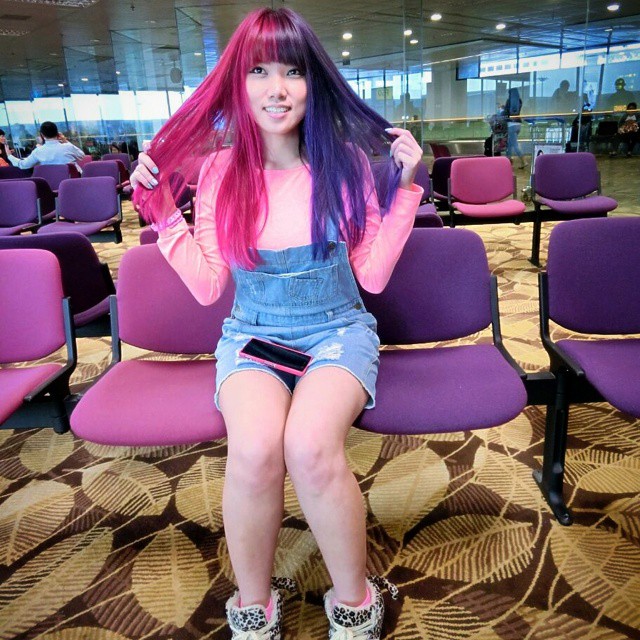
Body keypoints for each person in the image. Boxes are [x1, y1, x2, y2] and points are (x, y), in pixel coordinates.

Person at [130, 8, 422, 640]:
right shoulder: (219, 173)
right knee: (255, 450)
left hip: (336, 330)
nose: (277, 88)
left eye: (293, 71)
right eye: (258, 72)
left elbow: (372, 278)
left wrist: (404, 187)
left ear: (314, 82)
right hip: (253, 334)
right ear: (238, 86)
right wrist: (163, 215)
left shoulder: (344, 163)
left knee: (310, 447)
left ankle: (356, 602)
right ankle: (254, 608)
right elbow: (209, 287)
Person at [7, 121, 84, 170]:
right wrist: (65, 141)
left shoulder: (38, 151)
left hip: (51, 184)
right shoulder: (68, 147)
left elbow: (23, 165)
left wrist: (9, 156)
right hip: (73, 183)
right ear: (57, 133)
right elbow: (81, 155)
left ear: (42, 135)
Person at [504, 88, 526, 169]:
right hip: (518, 124)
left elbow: (508, 113)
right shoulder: (519, 101)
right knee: (510, 144)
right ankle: (508, 163)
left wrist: (503, 109)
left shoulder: (509, 100)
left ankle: (524, 161)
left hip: (511, 125)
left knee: (514, 145)